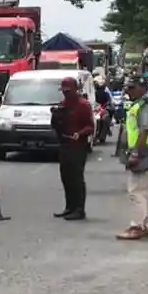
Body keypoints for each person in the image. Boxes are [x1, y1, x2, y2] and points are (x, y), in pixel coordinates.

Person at [117, 77, 148, 240]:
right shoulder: (140, 105)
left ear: (142, 88)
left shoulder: (145, 106)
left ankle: (137, 226)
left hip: (145, 152)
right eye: (127, 87)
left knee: (136, 191)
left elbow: (144, 130)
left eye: (132, 87)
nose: (128, 90)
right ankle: (147, 225)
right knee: (144, 191)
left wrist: (136, 153)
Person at [50, 77, 95, 220]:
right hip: (64, 145)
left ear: (76, 90)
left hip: (78, 147)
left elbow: (90, 127)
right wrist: (55, 117)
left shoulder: (83, 105)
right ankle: (69, 207)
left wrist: (79, 134)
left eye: (68, 91)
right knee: (66, 178)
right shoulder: (62, 105)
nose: (66, 94)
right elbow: (56, 126)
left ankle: (79, 209)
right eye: (64, 91)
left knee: (76, 178)